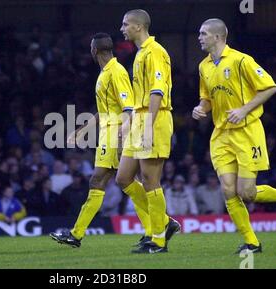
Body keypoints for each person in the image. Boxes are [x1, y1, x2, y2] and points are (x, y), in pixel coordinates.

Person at [192, 19, 276, 254]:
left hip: (247, 132)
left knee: (247, 193)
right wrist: (201, 108)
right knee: (228, 190)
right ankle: (252, 242)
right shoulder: (203, 66)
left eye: (203, 34)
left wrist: (244, 109)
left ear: (218, 37)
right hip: (221, 134)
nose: (199, 37)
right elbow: (208, 98)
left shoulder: (241, 60)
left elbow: (270, 87)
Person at [50, 32, 156, 248]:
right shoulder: (105, 72)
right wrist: (81, 130)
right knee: (126, 182)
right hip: (108, 132)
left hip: (116, 132)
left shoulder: (115, 72)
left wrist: (122, 134)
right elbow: (104, 111)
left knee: (102, 180)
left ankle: (76, 234)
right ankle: (156, 226)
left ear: (94, 50)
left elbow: (129, 108)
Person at [116, 9, 180, 254]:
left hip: (155, 117)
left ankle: (158, 240)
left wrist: (148, 126)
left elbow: (157, 92)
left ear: (138, 27)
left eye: (125, 24)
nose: (122, 28)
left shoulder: (156, 52)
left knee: (150, 179)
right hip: (140, 117)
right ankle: (164, 222)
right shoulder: (140, 54)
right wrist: (129, 122)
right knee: (123, 177)